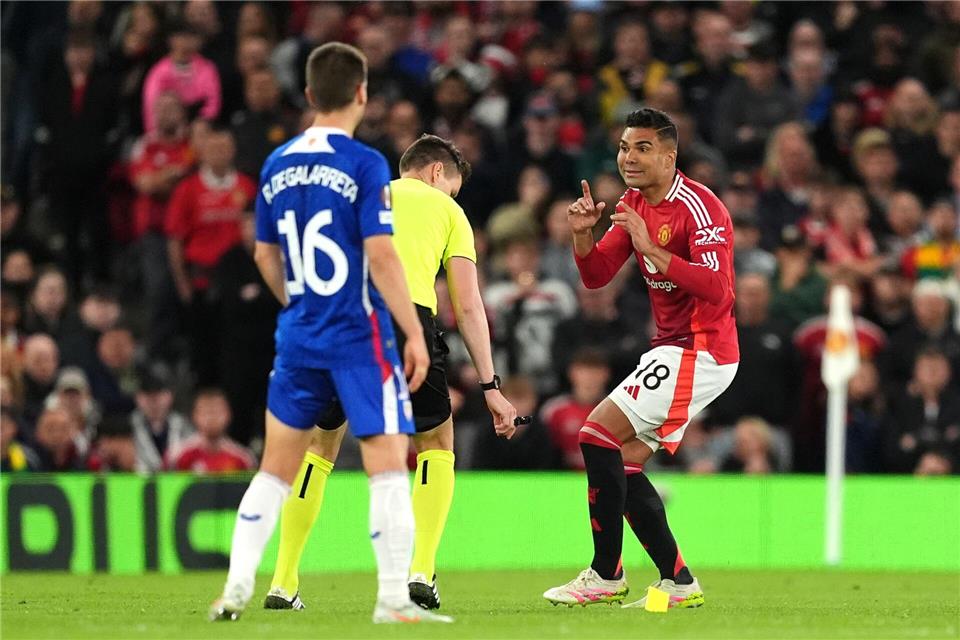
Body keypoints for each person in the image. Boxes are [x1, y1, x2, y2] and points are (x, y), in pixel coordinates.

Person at [209, 42, 443, 625]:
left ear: (310, 95)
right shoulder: (364, 164)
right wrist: (413, 332)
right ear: (362, 93)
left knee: (275, 469)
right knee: (389, 465)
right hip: (359, 339)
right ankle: (393, 598)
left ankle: (237, 588)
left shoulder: (276, 163)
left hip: (299, 337)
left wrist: (297, 303)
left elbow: (264, 254)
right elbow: (383, 256)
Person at [263, 134, 518, 612]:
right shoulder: (448, 212)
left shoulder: (359, 192)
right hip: (404, 321)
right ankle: (420, 569)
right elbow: (466, 304)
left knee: (318, 449)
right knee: (436, 444)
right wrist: (490, 385)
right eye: (452, 188)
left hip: (334, 318)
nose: (452, 197)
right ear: (437, 173)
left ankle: (283, 580)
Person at [543, 108, 739, 609]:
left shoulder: (701, 207)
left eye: (643, 148)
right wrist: (583, 234)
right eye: (625, 147)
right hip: (675, 348)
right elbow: (596, 276)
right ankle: (678, 582)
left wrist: (654, 249)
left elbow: (718, 289)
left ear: (670, 156)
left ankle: (606, 574)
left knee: (594, 434)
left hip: (702, 347)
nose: (629, 157)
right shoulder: (632, 201)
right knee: (623, 463)